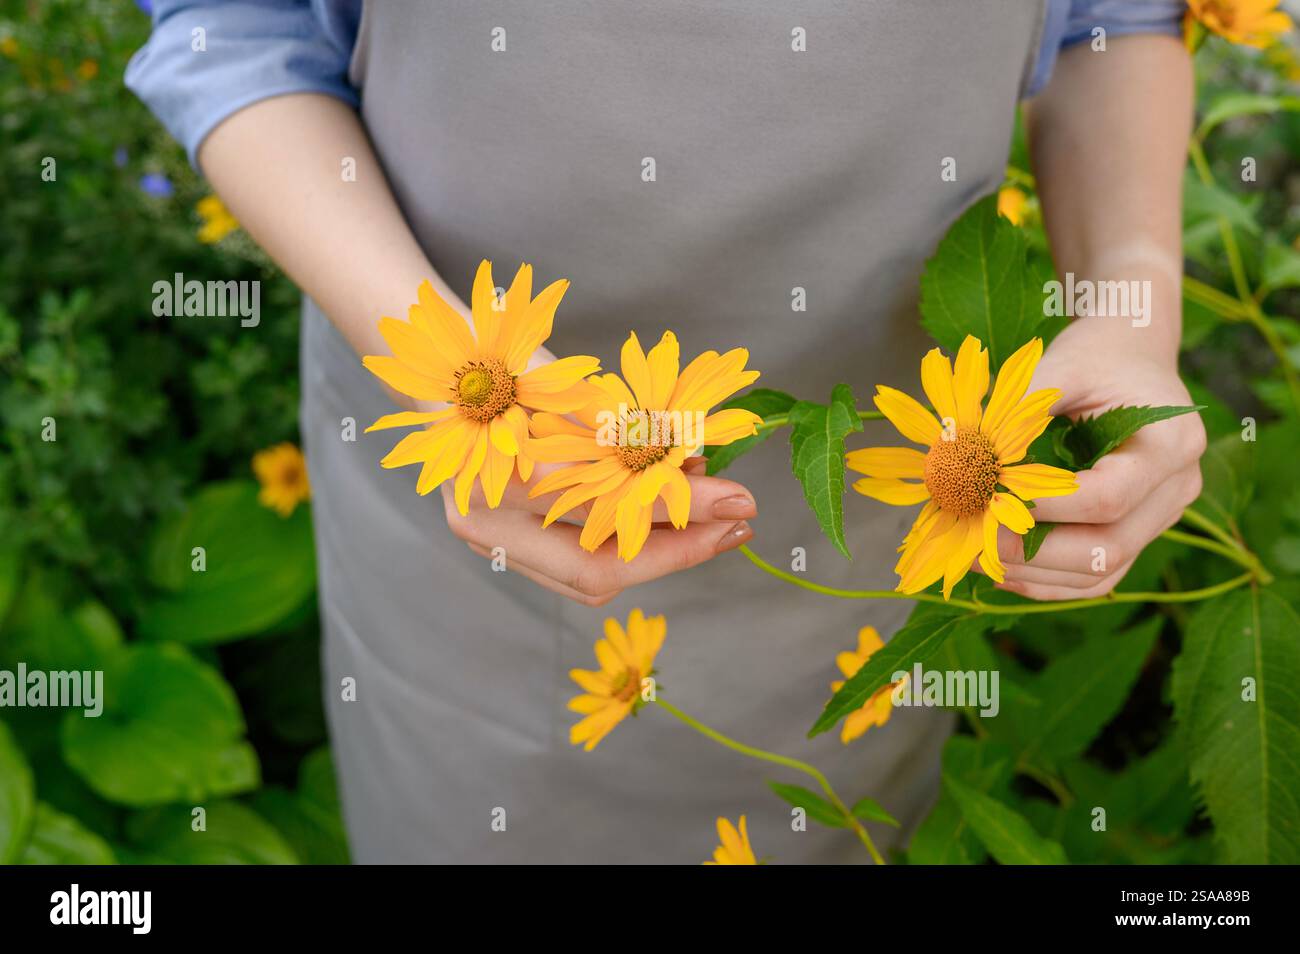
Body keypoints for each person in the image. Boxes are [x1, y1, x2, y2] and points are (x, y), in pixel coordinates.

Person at [127, 0, 1206, 863]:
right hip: (467, 472)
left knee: (847, 808)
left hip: (899, 480)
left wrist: (1127, 301)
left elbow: (1113, 23)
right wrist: (446, 374)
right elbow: (238, 28)